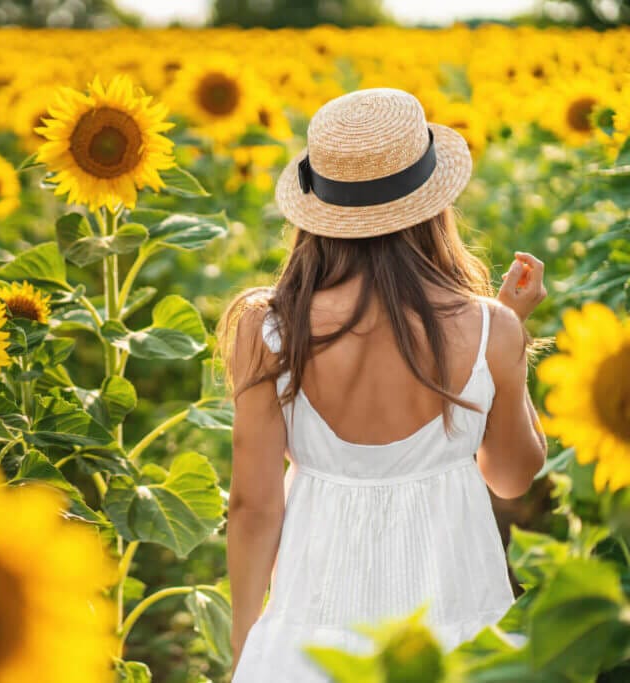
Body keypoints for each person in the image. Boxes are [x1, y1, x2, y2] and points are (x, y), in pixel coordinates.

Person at [215, 88, 547, 681]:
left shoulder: (268, 328)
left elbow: (253, 508)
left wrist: (249, 645)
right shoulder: (489, 327)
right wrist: (509, 336)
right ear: (433, 204)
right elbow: (511, 476)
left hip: (311, 626)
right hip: (459, 627)